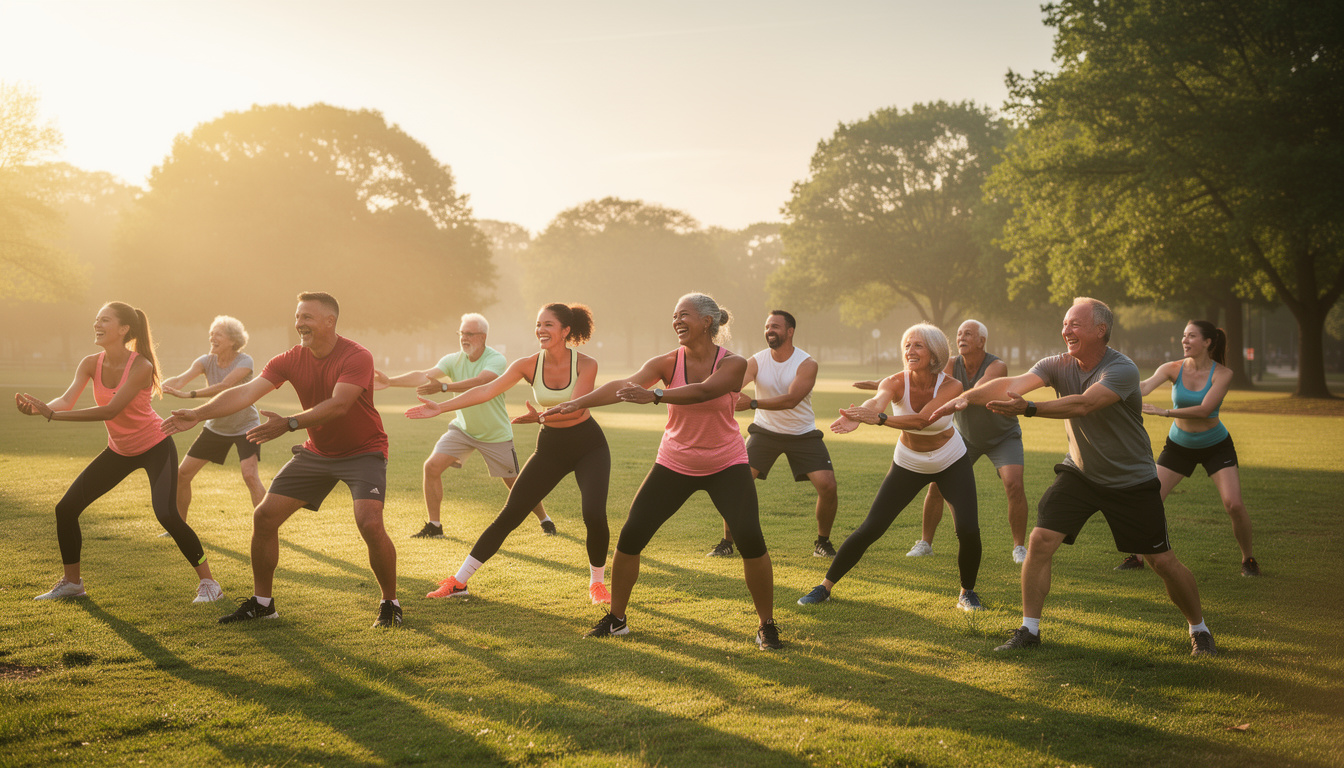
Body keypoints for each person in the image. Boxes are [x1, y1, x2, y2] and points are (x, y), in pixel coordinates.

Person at [932, 297, 1217, 656]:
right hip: (1080, 473)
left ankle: (1200, 629)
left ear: (1100, 330)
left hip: (1130, 479)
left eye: (1075, 324)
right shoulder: (1056, 364)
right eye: (1065, 324)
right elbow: (1014, 383)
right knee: (1039, 541)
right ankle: (1029, 631)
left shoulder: (1122, 369)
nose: (1066, 330)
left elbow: (1084, 404)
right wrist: (965, 399)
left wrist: (1030, 408)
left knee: (1162, 562)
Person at [543, 293, 782, 650]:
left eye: (683, 315)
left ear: (706, 321)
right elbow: (623, 386)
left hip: (725, 463)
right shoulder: (666, 362)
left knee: (750, 539)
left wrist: (655, 396)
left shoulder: (734, 363)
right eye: (673, 316)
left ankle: (767, 625)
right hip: (675, 462)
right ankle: (617, 619)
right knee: (631, 535)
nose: (676, 321)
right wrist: (576, 402)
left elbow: (705, 391)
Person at [161, 292, 402, 628]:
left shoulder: (357, 356)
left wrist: (288, 423)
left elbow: (339, 405)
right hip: (318, 452)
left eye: (308, 317)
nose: (300, 323)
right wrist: (198, 414)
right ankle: (263, 603)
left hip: (363, 451)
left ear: (329, 322)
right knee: (265, 517)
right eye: (298, 317)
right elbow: (245, 392)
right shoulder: (290, 358)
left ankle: (390, 603)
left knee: (370, 523)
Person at [16, 302, 223, 603]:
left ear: (124, 329)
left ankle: (209, 584)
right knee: (66, 509)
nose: (97, 324)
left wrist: (52, 416)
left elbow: (110, 409)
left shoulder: (141, 366)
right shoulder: (90, 363)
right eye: (96, 319)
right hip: (120, 449)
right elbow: (66, 400)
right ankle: (72, 584)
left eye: (105, 320)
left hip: (155, 445)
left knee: (166, 513)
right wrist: (40, 410)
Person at [407, 303, 612, 604]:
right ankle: (459, 581)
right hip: (551, 447)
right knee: (511, 512)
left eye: (549, 325)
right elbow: (485, 391)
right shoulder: (527, 364)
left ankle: (597, 584)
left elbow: (576, 408)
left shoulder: (586, 364)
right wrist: (442, 405)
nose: (541, 330)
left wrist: (540, 417)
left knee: (593, 513)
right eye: (538, 324)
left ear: (566, 331)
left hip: (588, 447)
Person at [798, 323, 984, 612]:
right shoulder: (895, 381)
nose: (910, 350)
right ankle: (824, 587)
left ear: (934, 352)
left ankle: (967, 593)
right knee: (871, 527)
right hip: (909, 461)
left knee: (968, 530)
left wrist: (881, 419)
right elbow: (877, 400)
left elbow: (923, 420)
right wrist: (861, 414)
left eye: (918, 345)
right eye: (907, 345)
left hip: (950, 459)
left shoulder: (951, 385)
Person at [859, 320, 1029, 563]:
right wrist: (884, 384)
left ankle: (1019, 547)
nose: (961, 337)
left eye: (968, 334)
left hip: (1002, 436)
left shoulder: (996, 366)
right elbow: (927, 381)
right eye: (959, 333)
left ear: (982, 341)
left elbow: (976, 391)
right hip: (966, 436)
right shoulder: (950, 364)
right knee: (936, 486)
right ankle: (926, 542)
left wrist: (958, 395)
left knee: (1013, 484)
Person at [375, 313, 550, 539]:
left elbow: (483, 381)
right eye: (461, 333)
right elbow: (422, 376)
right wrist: (390, 381)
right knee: (431, 467)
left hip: (495, 433)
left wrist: (445, 388)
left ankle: (545, 519)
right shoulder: (453, 359)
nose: (464, 338)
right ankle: (435, 526)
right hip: (463, 429)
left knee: (516, 484)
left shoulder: (495, 359)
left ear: (483, 337)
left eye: (470, 334)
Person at [1112, 320, 1260, 576]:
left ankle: (1248, 560)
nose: (1185, 340)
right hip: (1179, 445)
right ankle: (1137, 556)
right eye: (1183, 336)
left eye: (1191, 336)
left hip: (1216, 445)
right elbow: (1144, 387)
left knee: (1233, 504)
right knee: (1149, 498)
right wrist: (1112, 386)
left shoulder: (1223, 374)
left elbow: (1205, 410)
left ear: (1208, 342)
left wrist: (1166, 412)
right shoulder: (1172, 368)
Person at [710, 310, 838, 559]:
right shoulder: (756, 361)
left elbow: (792, 400)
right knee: (736, 483)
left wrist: (754, 404)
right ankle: (727, 542)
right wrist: (726, 388)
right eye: (767, 326)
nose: (770, 330)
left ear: (790, 332)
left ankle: (823, 543)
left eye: (776, 326)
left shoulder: (806, 363)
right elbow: (736, 384)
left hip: (802, 432)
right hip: (765, 432)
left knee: (828, 486)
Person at [160, 315, 266, 527]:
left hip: (245, 426)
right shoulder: (204, 361)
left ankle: (266, 526)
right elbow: (180, 380)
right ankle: (180, 527)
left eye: (218, 334)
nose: (212, 338)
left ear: (232, 340)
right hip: (216, 426)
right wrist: (157, 385)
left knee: (250, 476)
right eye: (211, 333)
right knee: (182, 475)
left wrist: (189, 396)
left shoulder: (245, 361)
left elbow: (225, 386)